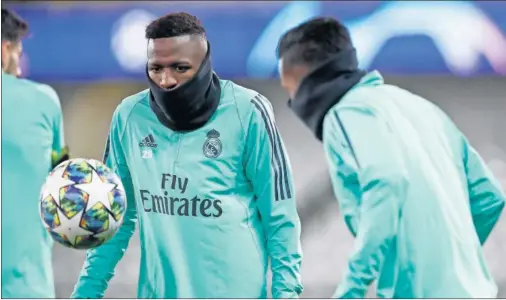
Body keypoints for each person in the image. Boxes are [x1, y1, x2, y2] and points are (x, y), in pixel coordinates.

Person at [71, 12, 303, 299]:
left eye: (180, 68)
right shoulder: (129, 117)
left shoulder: (249, 112)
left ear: (204, 63)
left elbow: (279, 215)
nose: (166, 80)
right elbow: (115, 217)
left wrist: (287, 292)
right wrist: (86, 292)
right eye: (156, 68)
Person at [276, 17, 505, 298]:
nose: (292, 99)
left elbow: (387, 182)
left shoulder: (344, 114)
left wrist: (352, 289)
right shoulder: (421, 108)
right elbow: (489, 196)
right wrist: (449, 264)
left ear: (308, 76)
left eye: (290, 85)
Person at [2, 8, 69, 298]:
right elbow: (64, 184)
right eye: (18, 50)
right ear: (5, 50)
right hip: (26, 288)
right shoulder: (43, 100)